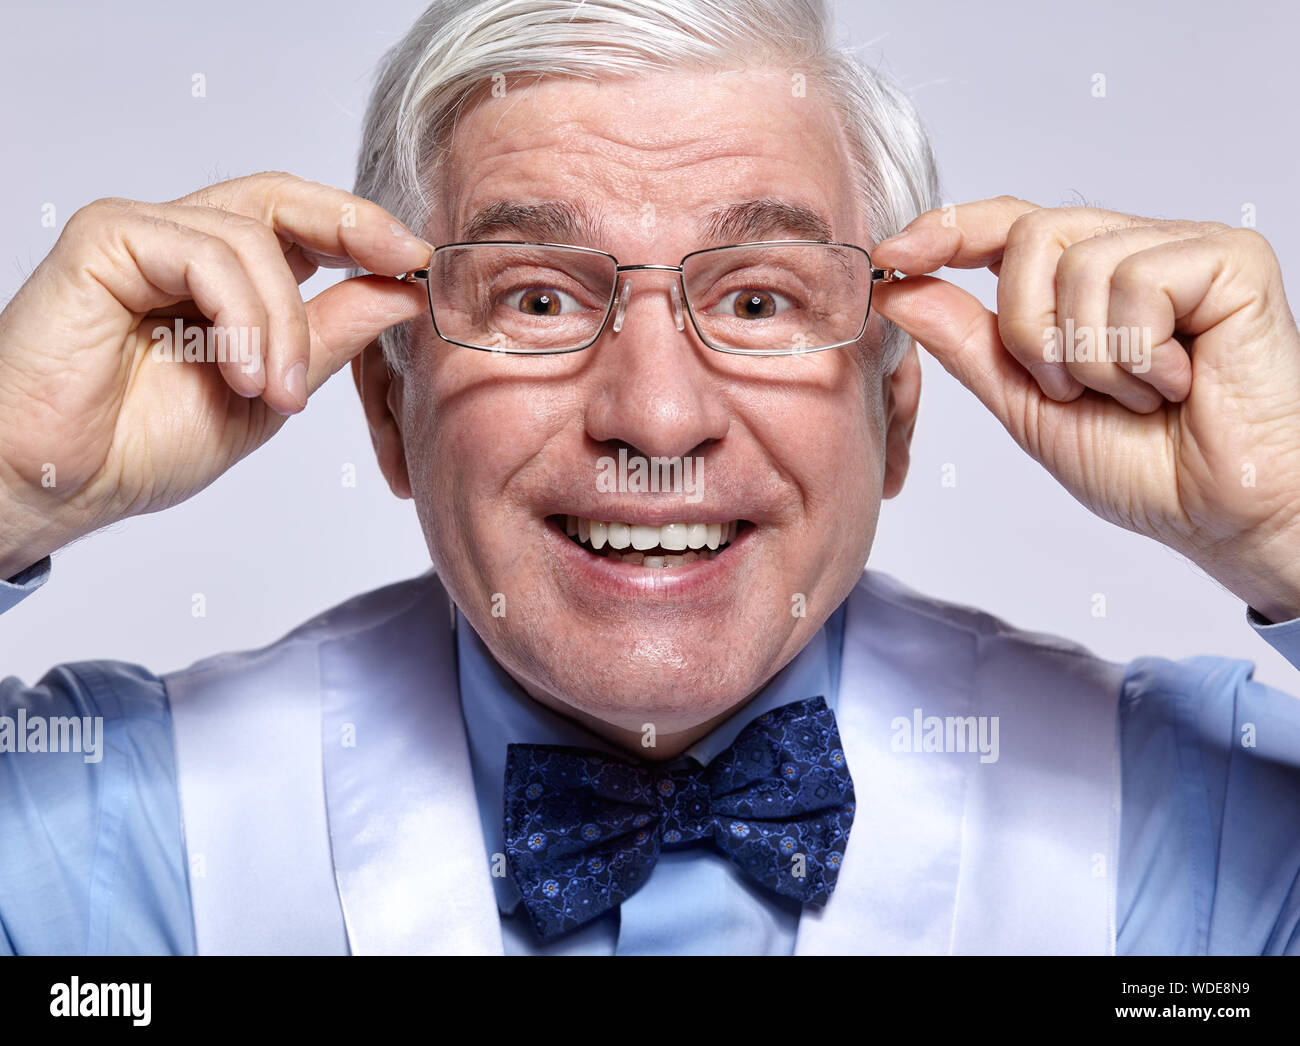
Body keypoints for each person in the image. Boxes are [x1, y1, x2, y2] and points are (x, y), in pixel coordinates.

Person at [2, 0, 1299, 956]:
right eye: (539, 296)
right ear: (388, 408)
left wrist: (1292, 526)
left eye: (755, 296)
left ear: (896, 410)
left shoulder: (1199, 837)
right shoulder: (125, 838)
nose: (655, 415)